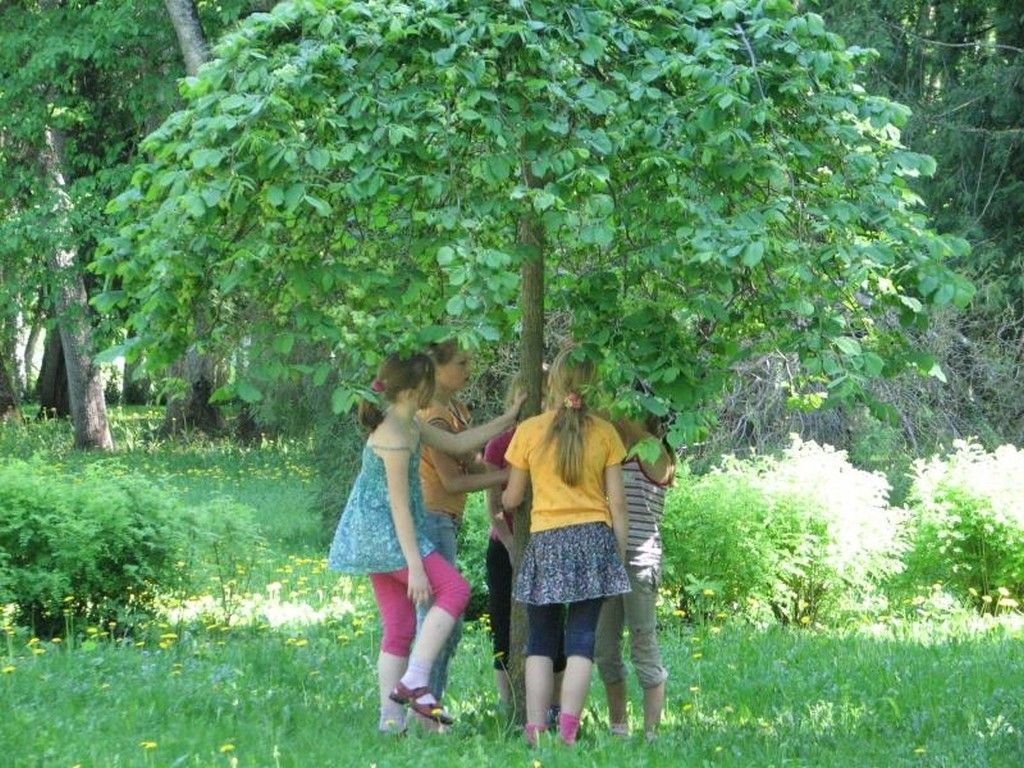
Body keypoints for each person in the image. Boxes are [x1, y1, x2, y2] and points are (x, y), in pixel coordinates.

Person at [327, 352, 523, 734]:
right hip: (386, 536)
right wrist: (416, 566)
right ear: (418, 389)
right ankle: (417, 678)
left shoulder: (407, 423)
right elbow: (399, 508)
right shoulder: (395, 437)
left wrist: (508, 418)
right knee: (454, 589)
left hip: (374, 538)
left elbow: (458, 442)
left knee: (399, 628)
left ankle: (391, 723)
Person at [501, 347, 630, 746]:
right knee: (581, 641)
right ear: (595, 386)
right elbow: (618, 505)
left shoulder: (530, 431)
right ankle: (569, 733)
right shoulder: (606, 433)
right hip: (594, 539)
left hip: (547, 540)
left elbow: (511, 499)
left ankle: (536, 729)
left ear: (552, 382)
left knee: (539, 640)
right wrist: (617, 558)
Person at [416, 339, 509, 701]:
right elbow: (453, 480)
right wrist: (505, 478)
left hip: (445, 522)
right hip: (432, 519)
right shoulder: (434, 415)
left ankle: (426, 703)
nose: (469, 370)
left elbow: (471, 461)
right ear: (437, 369)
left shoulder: (453, 410)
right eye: (461, 362)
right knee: (441, 622)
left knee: (443, 622)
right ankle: (425, 706)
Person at [483, 369, 565, 715]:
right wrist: (513, 547)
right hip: (506, 547)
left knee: (552, 627)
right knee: (503, 623)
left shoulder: (561, 440)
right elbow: (495, 509)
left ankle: (556, 705)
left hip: (550, 542)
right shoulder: (499, 443)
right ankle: (508, 705)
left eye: (547, 397)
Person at [594, 414, 675, 741]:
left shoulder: (655, 452)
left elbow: (632, 429)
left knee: (643, 642)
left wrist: (622, 415)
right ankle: (619, 728)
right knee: (604, 648)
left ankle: (651, 733)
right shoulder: (612, 451)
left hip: (640, 562)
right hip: (608, 560)